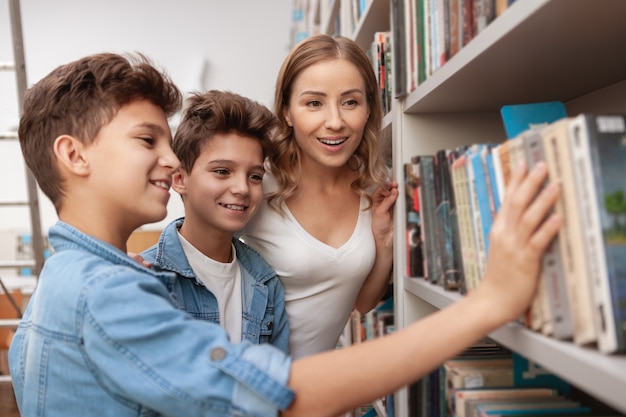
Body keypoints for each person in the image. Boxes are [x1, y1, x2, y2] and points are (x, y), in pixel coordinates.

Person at [8, 51, 561, 417]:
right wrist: (488, 303)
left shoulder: (69, 277)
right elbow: (279, 394)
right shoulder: (105, 293)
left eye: (352, 101)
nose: (169, 157)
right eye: (147, 139)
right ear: (73, 155)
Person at [239, 34, 399, 358]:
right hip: (247, 390)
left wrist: (383, 244)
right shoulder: (259, 182)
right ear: (286, 111)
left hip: (317, 395)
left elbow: (363, 302)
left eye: (350, 102)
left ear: (369, 108)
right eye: (314, 103)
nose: (335, 122)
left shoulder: (375, 190)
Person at [140, 90, 289, 352]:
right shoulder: (145, 277)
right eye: (222, 171)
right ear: (179, 178)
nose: (242, 188)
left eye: (254, 176)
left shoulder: (266, 283)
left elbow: (278, 379)